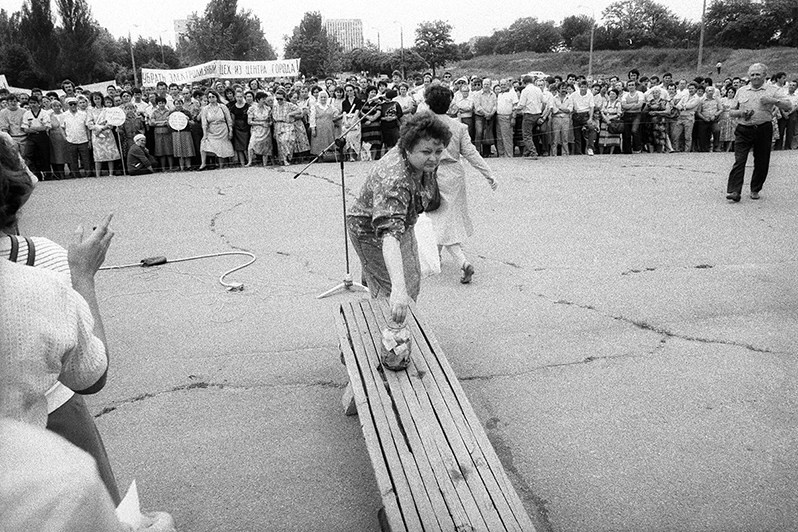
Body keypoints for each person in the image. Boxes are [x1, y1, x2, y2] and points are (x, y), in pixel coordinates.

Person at [347, 111, 452, 323]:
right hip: (370, 231)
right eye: (426, 152)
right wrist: (397, 290)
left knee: (411, 280)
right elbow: (389, 238)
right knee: (390, 290)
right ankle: (388, 339)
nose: (433, 158)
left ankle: (397, 322)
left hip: (402, 223)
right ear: (407, 148)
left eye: (438, 151)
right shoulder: (394, 178)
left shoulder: (422, 158)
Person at [423, 85, 498, 285]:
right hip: (454, 175)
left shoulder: (424, 125)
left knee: (435, 218)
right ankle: (437, 258)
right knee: (444, 219)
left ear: (429, 103)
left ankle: (462, 262)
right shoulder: (458, 126)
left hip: (431, 174)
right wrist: (488, 173)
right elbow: (471, 153)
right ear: (449, 104)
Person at [725, 63, 792, 202]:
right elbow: (731, 112)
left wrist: (772, 100)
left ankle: (755, 188)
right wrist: (742, 113)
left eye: (758, 74)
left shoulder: (772, 90)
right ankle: (734, 191)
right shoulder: (742, 90)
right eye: (752, 75)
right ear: (749, 76)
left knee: (762, 162)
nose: (755, 77)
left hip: (763, 129)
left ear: (764, 76)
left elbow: (788, 105)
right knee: (739, 160)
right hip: (743, 129)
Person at [87, 93, 121, 177]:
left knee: (110, 153)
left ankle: (111, 173)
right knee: (98, 154)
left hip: (107, 132)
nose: (97, 100)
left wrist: (103, 128)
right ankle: (98, 174)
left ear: (102, 99)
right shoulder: (90, 111)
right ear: (93, 100)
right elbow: (89, 123)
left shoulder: (107, 110)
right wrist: (97, 128)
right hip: (96, 134)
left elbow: (111, 122)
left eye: (99, 98)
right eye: (95, 99)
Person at [199, 90, 234, 170]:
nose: (211, 98)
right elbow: (204, 123)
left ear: (216, 97)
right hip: (211, 129)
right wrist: (204, 134)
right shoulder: (205, 109)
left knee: (221, 146)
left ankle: (221, 165)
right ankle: (203, 163)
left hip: (222, 129)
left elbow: (229, 119)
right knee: (204, 143)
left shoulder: (222, 106)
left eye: (213, 97)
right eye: (209, 97)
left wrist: (230, 130)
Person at [515, 75, 546, 159]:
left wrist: (515, 109)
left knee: (526, 135)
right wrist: (541, 112)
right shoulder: (538, 89)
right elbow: (544, 102)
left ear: (524, 82)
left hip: (528, 114)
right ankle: (526, 152)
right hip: (537, 114)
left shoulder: (525, 91)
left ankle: (533, 152)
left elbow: (521, 104)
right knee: (532, 134)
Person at [21, 95, 52, 179]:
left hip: (43, 137)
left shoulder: (44, 113)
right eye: (30, 103)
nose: (32, 105)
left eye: (34, 103)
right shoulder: (27, 114)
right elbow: (25, 129)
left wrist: (33, 128)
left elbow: (46, 127)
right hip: (31, 137)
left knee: (45, 155)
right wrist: (36, 129)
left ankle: (48, 174)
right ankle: (35, 174)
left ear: (39, 103)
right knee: (29, 154)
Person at [60, 97, 91, 178]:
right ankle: (76, 175)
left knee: (86, 159)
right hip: (71, 140)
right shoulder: (64, 115)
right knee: (73, 160)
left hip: (83, 139)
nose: (73, 106)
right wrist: (65, 138)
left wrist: (89, 139)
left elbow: (87, 127)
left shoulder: (83, 114)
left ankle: (88, 174)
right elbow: (62, 128)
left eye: (74, 104)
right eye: (71, 104)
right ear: (68, 105)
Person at [271, 89, 302, 166]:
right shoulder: (275, 106)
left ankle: (288, 156)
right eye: (277, 99)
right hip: (278, 125)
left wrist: (290, 114)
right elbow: (273, 118)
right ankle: (284, 160)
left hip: (288, 125)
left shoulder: (289, 105)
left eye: (280, 99)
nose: (279, 100)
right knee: (280, 143)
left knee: (287, 140)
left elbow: (299, 110)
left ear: (284, 98)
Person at [247, 91, 273, 166]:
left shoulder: (268, 108)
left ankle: (265, 163)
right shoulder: (252, 109)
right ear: (258, 99)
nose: (264, 100)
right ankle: (250, 161)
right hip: (256, 128)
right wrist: (260, 123)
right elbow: (249, 121)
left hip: (266, 129)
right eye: (263, 99)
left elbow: (270, 119)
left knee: (266, 146)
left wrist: (269, 123)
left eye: (265, 99)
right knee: (252, 144)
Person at [309, 90, 339, 158]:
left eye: (325, 97)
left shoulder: (330, 106)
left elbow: (336, 112)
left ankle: (329, 156)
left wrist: (335, 116)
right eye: (321, 97)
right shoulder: (315, 106)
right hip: (319, 127)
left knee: (329, 141)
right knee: (319, 142)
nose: (323, 99)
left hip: (329, 127)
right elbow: (312, 118)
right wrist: (313, 128)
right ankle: (319, 156)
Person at [169, 99, 195, 171]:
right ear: (174, 104)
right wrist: (168, 121)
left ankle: (188, 166)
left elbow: (193, 123)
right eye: (176, 103)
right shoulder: (171, 113)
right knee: (179, 150)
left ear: (182, 104)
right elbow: (169, 124)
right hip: (176, 132)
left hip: (186, 132)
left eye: (180, 103)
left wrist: (188, 120)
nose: (178, 105)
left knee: (187, 149)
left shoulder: (187, 112)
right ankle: (181, 167)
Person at [227, 86, 251, 166]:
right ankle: (242, 163)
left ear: (243, 97)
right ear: (235, 97)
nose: (239, 98)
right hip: (237, 128)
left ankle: (249, 161)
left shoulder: (247, 106)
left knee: (246, 145)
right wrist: (232, 129)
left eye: (241, 97)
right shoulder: (233, 108)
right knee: (239, 147)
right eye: (237, 97)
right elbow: (232, 120)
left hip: (246, 127)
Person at [47, 99, 68, 179]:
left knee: (65, 154)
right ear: (51, 107)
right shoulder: (49, 116)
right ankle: (59, 173)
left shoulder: (65, 115)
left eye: (58, 106)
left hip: (64, 135)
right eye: (54, 106)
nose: (57, 107)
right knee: (56, 155)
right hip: (54, 137)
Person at [718, 86, 739, 152]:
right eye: (729, 92)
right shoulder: (722, 99)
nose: (730, 93)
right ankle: (720, 148)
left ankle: (728, 149)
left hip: (732, 118)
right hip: (723, 118)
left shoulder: (736, 101)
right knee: (722, 133)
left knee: (731, 134)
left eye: (732, 92)